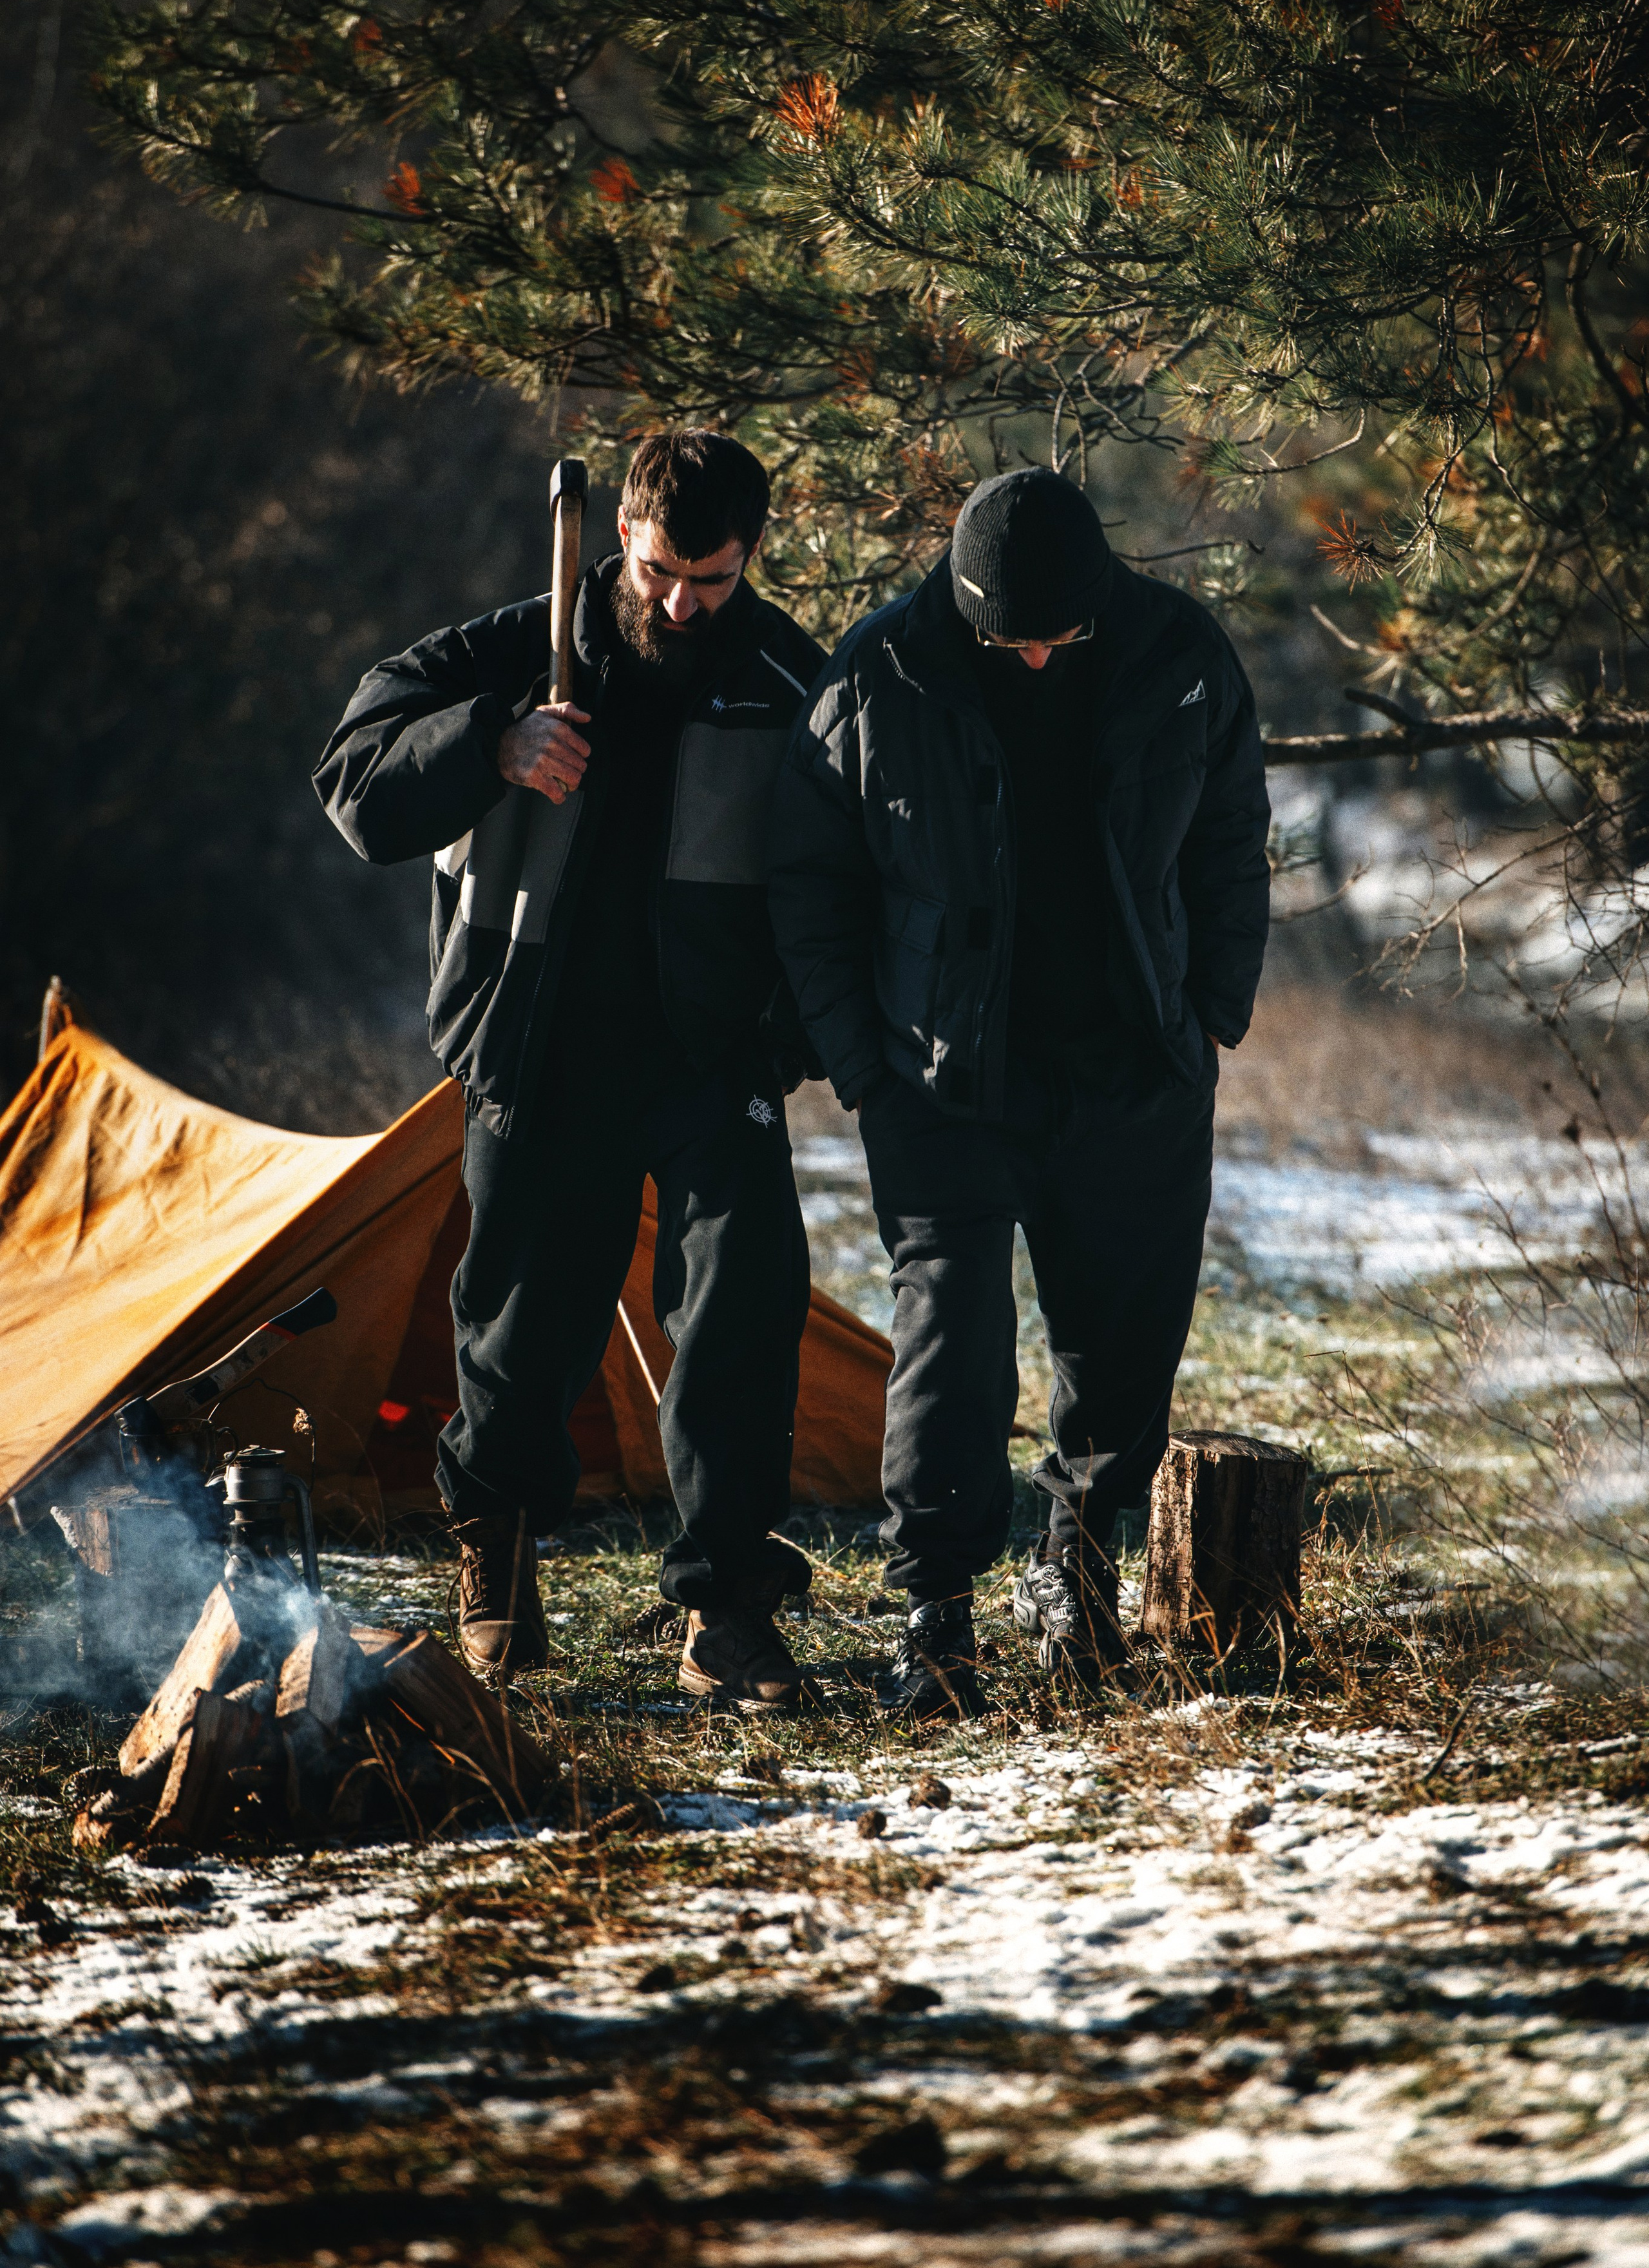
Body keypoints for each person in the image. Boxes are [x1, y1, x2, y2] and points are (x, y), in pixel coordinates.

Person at [315, 430, 826, 1707]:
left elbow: (855, 877)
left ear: (747, 559)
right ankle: (497, 1558)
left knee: (744, 1313)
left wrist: (794, 1039)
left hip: (715, 1055)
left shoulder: (787, 679)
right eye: (658, 571)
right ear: (621, 542)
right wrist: (489, 745)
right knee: (520, 1327)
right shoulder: (504, 652)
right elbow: (354, 788)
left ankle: (724, 1609)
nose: (678, 603)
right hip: (540, 1044)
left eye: (708, 580)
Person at [768, 466, 1270, 1718]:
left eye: (1062, 636)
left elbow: (1228, 830)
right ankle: (935, 1618)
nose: (1038, 661)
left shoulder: (1175, 651)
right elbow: (808, 881)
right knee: (954, 1344)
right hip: (939, 1078)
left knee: (1120, 1346)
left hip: (1131, 1064)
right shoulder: (876, 675)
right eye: (1012, 640)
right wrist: (861, 1061)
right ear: (961, 605)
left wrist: (1211, 1008)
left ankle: (1075, 1581)